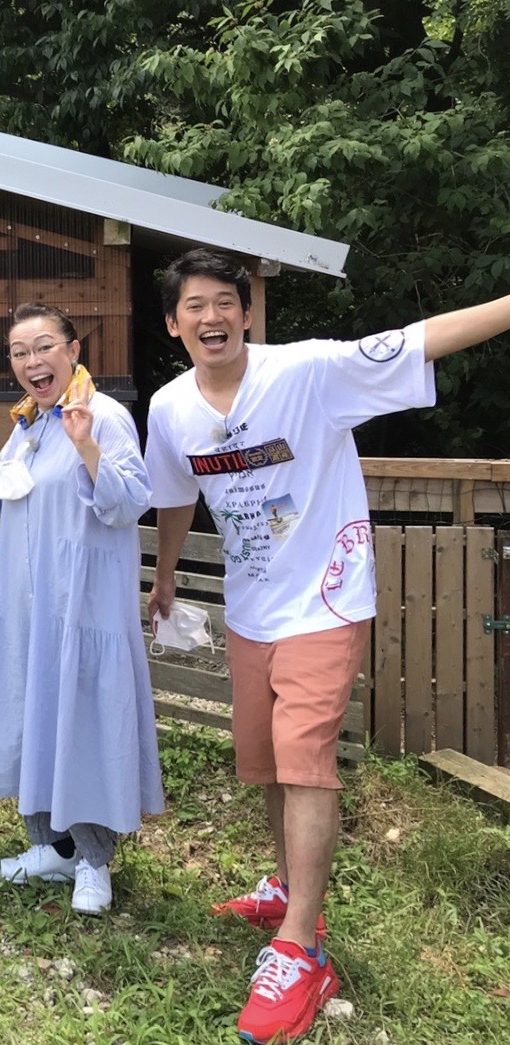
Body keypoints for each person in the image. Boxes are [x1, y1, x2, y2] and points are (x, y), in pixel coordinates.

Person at [145, 247, 510, 1043]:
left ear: (247, 314)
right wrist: (166, 575)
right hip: (250, 609)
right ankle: (285, 886)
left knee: (304, 759)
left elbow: (421, 339)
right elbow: (174, 495)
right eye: (194, 305)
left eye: (225, 302)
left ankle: (302, 947)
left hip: (326, 598)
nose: (212, 316)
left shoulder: (309, 372)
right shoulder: (170, 408)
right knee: (267, 761)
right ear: (173, 324)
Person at [0, 304, 164, 914]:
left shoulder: (104, 415)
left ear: (72, 350)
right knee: (32, 717)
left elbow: (129, 502)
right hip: (29, 609)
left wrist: (86, 443)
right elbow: (3, 501)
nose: (32, 361)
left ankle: (93, 860)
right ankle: (52, 847)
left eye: (44, 347)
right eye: (19, 352)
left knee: (83, 724)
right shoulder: (29, 425)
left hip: (82, 608)